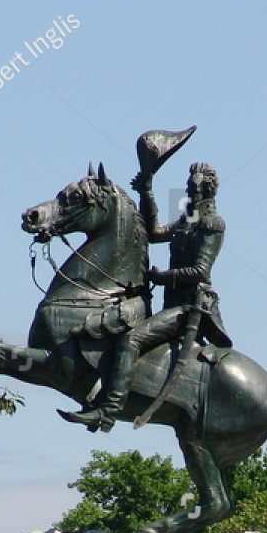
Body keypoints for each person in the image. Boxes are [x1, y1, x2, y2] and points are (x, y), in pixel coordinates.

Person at [61, 161, 232, 430]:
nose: (192, 192)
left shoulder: (212, 224)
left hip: (190, 308)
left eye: (197, 187)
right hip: (172, 305)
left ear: (209, 190)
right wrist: (147, 192)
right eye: (190, 187)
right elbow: (154, 232)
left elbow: (200, 271)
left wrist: (161, 277)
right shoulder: (188, 221)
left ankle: (108, 409)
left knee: (131, 339)